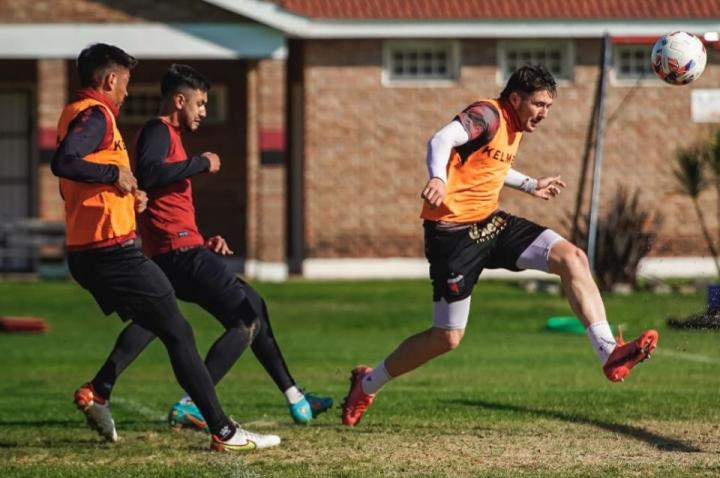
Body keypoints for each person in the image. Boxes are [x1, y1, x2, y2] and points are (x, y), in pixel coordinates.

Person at [341, 64, 659, 427]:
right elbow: (440, 141)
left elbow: (490, 165)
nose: (544, 113)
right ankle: (367, 383)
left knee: (572, 258)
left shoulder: (514, 126)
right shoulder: (487, 114)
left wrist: (530, 184)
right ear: (515, 98)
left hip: (491, 222)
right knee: (446, 338)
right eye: (539, 104)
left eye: (549, 107)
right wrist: (437, 178)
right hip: (452, 236)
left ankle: (609, 354)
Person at [74, 63, 332, 435]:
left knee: (160, 320)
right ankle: (195, 402)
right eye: (200, 103)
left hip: (182, 248)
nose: (204, 112)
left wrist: (202, 237)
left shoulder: (169, 136)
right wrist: (201, 163)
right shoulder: (158, 131)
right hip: (179, 254)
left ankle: (100, 387)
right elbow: (148, 172)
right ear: (180, 101)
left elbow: (166, 198)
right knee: (246, 317)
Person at [52, 43, 280, 451]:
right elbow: (64, 162)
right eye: (124, 83)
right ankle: (223, 431)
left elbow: (85, 179)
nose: (126, 92)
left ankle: (99, 391)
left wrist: (126, 194)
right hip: (111, 251)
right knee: (186, 328)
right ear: (109, 80)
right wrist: (114, 174)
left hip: (90, 251)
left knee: (159, 322)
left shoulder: (75, 114)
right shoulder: (97, 116)